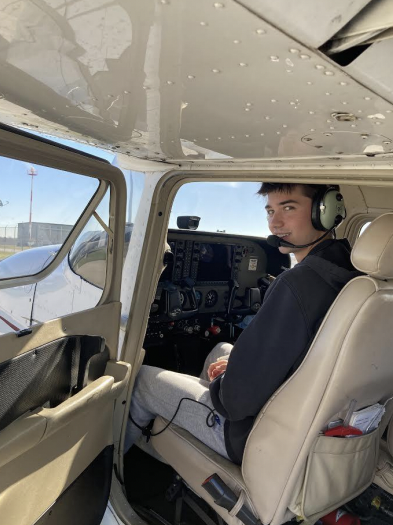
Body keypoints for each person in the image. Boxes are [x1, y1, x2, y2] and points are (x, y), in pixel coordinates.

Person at [125, 183, 360, 465]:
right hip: (306, 417)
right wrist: (237, 372)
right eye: (271, 211)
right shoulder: (351, 274)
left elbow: (236, 403)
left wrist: (228, 383)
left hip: (253, 434)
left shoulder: (299, 284)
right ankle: (189, 436)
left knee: (140, 381)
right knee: (221, 349)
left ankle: (115, 473)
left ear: (325, 212)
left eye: (288, 208)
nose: (275, 222)